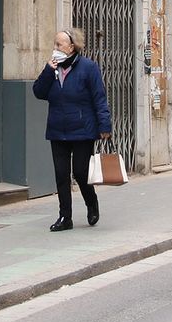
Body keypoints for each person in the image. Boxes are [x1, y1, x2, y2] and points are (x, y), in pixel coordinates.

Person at [32, 29, 112, 232]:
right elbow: (39, 92)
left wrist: (104, 125)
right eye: (55, 44)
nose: (55, 49)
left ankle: (91, 202)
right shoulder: (53, 68)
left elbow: (99, 98)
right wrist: (48, 71)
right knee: (61, 174)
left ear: (72, 47)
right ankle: (65, 217)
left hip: (82, 129)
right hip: (58, 129)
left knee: (80, 171)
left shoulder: (88, 68)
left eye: (59, 45)